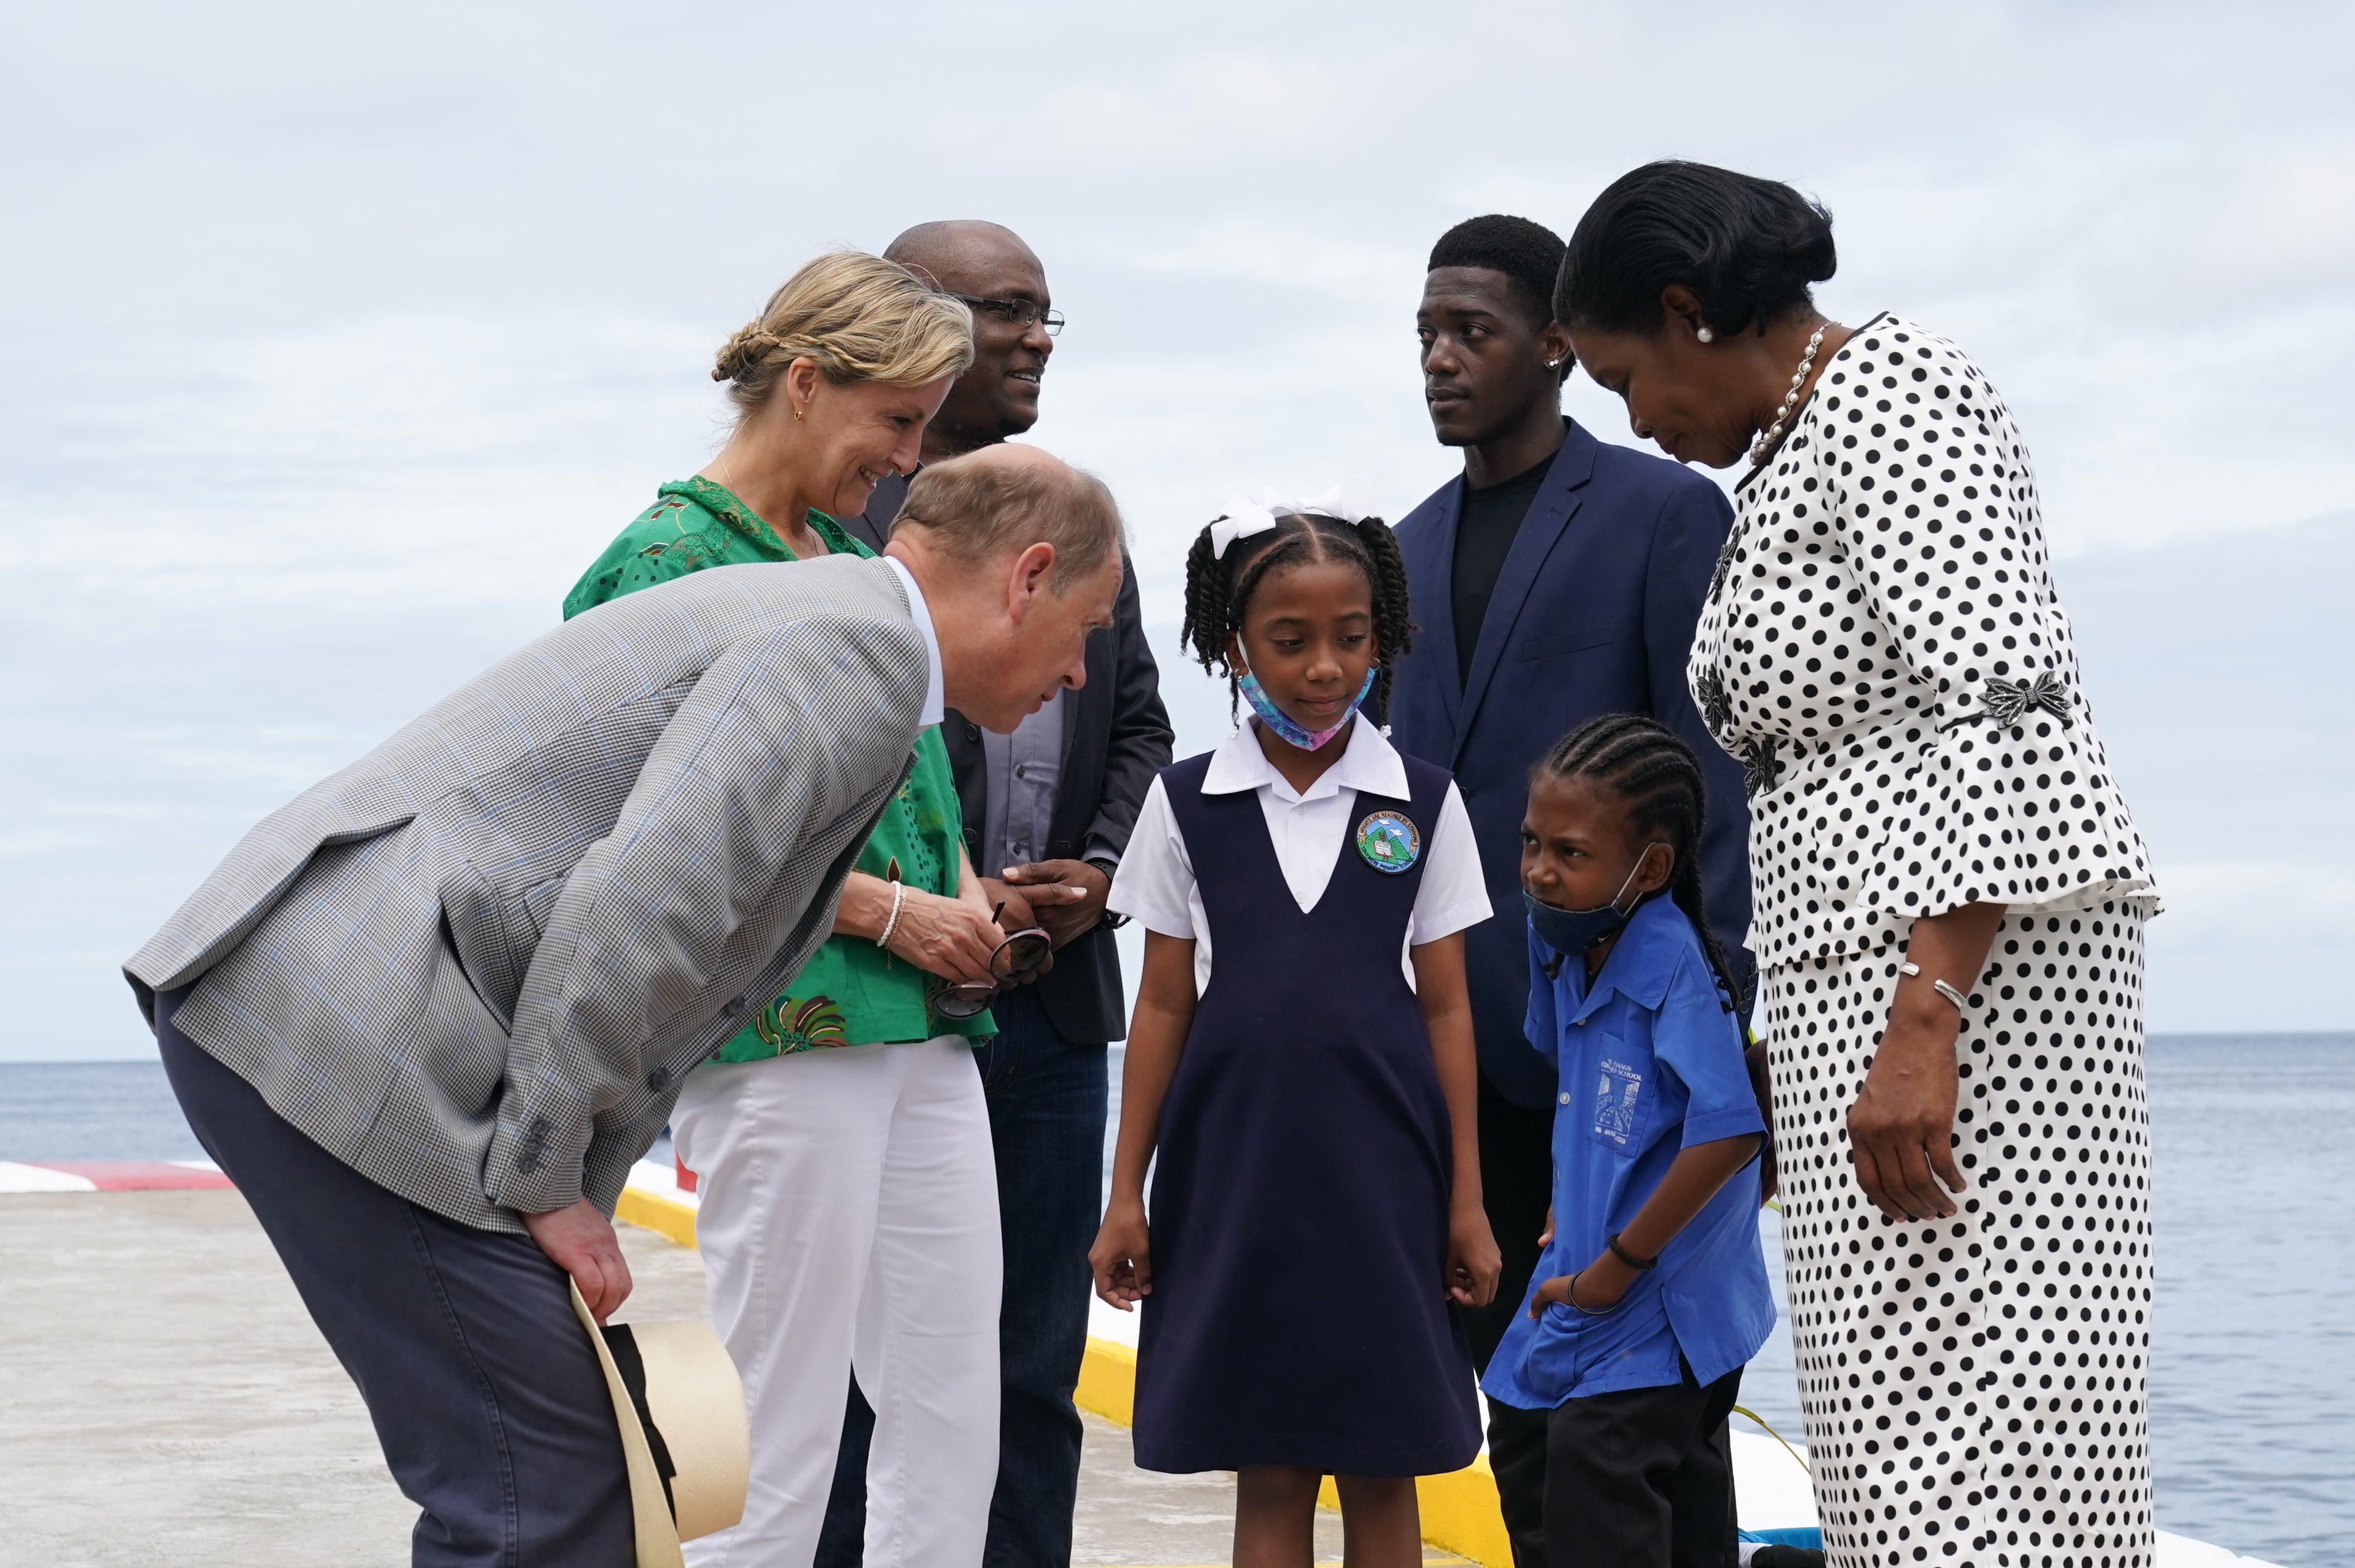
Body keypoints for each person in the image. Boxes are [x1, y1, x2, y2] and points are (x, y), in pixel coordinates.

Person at [122, 380, 1128, 1565]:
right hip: (342, 1017)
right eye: (1088, 629)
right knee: (544, 1486)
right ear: (1027, 578)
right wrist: (551, 1178)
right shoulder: (850, 652)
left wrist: (572, 1181)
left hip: (326, 1007)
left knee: (549, 1477)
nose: (1076, 676)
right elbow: (638, 907)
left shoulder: (843, 631)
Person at [1558, 159, 2161, 1567]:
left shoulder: (1897, 394)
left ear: (1685, 308)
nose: (1635, 418)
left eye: (1624, 375)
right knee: (1896, 1449)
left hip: (1970, 1000)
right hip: (1872, 996)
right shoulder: (1801, 441)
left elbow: (2004, 703)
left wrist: (1921, 1022)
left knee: (1987, 1429)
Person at [562, 252, 1107, 1568]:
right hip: (780, 1027)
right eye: (898, 423)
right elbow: (645, 831)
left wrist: (964, 893)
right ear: (805, 384)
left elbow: (907, 790)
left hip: (918, 1028)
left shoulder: (842, 558)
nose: (906, 457)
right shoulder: (663, 557)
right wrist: (890, 915)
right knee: (776, 1412)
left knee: (948, 1400)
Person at [1385, 214, 1755, 1565]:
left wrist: (1723, 1011)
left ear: (1554, 341)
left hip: (1631, 1052)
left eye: (1468, 330)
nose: (1436, 358)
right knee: (1519, 1403)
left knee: (1653, 1411)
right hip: (1460, 1051)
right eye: (1423, 333)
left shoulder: (1665, 511)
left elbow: (1705, 773)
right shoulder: (1399, 548)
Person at [822, 220, 1173, 1568]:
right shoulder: (846, 541)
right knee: (874, 1370)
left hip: (1055, 1014)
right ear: (918, 326)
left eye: (1046, 314)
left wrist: (1097, 875)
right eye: (1005, 310)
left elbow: (1139, 726)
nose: (1033, 336)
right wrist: (945, 897)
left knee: (1032, 1358)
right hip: (897, 998)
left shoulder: (1084, 527)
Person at [1090, 499, 1501, 1568]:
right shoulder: (1185, 805)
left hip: (1386, 1178)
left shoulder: (1423, 801)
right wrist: (1127, 1191)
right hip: (1237, 1174)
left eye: (1352, 636)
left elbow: (1449, 1004)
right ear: (1233, 645)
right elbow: (1164, 1004)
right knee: (1267, 1466)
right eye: (1289, 640)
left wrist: (1466, 1198)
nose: (1326, 666)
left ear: (1383, 634)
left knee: (1384, 1462)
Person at [1481, 714, 1773, 1568]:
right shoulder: (1561, 943)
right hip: (1598, 1263)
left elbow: (1729, 1134)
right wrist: (1565, 1208)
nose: (1539, 870)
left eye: (1570, 854)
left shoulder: (1672, 966)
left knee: (1593, 1480)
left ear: (1650, 868)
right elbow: (1586, 1097)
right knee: (1631, 1494)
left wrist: (1616, 1265)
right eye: (1532, 842)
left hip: (1667, 1296)